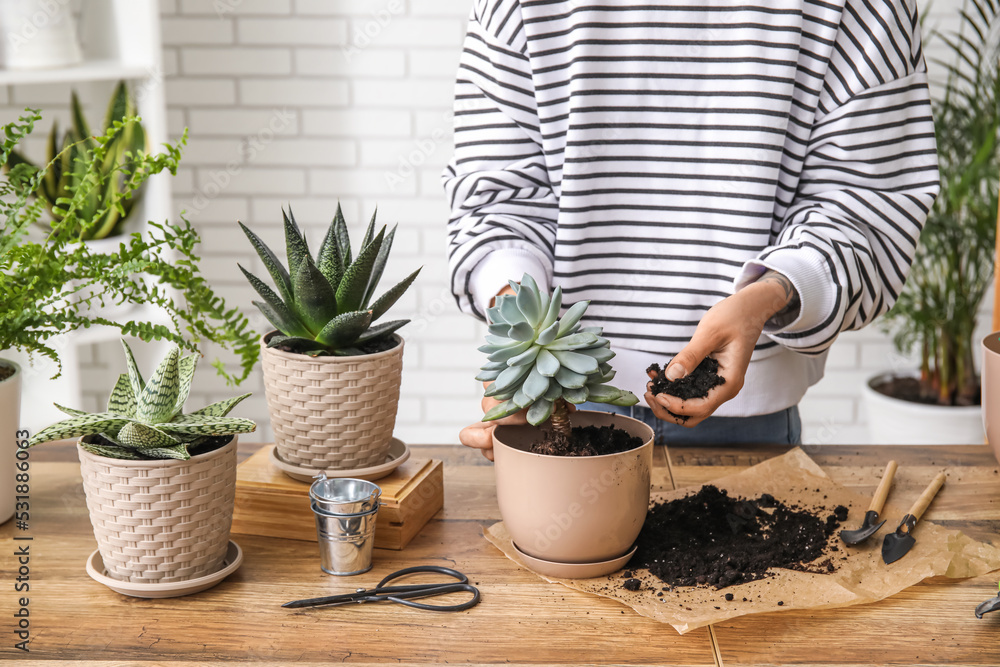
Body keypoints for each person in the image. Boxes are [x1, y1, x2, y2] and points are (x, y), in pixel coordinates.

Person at [444, 0, 939, 459]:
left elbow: (869, 207)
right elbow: (497, 197)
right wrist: (521, 346)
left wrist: (772, 292)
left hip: (744, 417)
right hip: (561, 408)